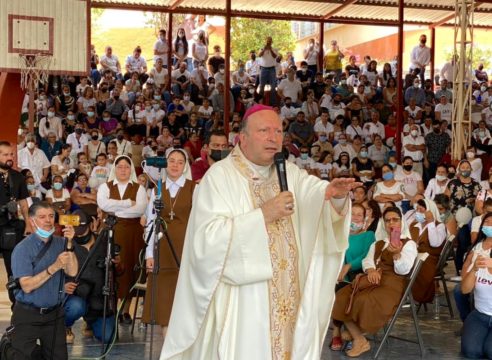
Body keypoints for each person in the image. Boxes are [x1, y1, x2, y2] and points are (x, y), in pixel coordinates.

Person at [160, 104, 360, 359]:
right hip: (244, 300)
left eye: (278, 131)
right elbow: (206, 241)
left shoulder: (289, 172)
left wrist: (334, 197)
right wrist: (262, 216)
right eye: (264, 130)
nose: (273, 137)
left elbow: (315, 195)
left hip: (289, 294)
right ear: (241, 138)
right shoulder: (220, 178)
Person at [331, 206, 418, 357]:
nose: (391, 223)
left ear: (401, 222)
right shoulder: (378, 243)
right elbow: (367, 260)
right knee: (341, 296)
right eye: (387, 220)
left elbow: (404, 270)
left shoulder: (408, 244)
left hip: (392, 284)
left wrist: (397, 254)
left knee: (364, 300)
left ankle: (356, 334)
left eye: (395, 220)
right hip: (371, 280)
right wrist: (370, 270)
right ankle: (359, 338)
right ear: (383, 223)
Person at [3, 202, 77, 360]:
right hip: (28, 314)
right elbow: (27, 286)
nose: (48, 220)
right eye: (42, 217)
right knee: (20, 356)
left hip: (54, 315)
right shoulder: (22, 249)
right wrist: (54, 267)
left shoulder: (61, 243)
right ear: (32, 221)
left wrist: (70, 243)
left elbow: (72, 271)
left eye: (51, 216)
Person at [141, 149, 195, 331]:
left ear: (185, 166)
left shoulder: (194, 188)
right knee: (164, 308)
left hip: (186, 250)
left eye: (180, 162)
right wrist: (149, 254)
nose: (175, 165)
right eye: (172, 161)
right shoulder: (158, 188)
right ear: (166, 163)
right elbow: (150, 222)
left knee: (185, 303)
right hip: (162, 250)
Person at [96, 155, 147, 323]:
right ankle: (111, 309)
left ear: (131, 169)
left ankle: (125, 311)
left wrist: (115, 207)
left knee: (131, 269)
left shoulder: (138, 188)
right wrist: (127, 203)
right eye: (120, 167)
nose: (123, 170)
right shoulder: (105, 186)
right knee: (111, 269)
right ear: (114, 169)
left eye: (126, 167)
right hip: (111, 231)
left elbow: (139, 209)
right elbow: (103, 205)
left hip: (133, 234)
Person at [63, 210, 117, 344]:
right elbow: (56, 272)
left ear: (91, 224)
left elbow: (118, 273)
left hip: (98, 299)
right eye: (76, 229)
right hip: (76, 296)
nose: (79, 233)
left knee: (108, 337)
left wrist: (117, 264)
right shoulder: (65, 244)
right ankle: (65, 326)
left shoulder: (104, 242)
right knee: (76, 307)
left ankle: (90, 323)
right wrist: (63, 286)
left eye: (83, 229)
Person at [330, 203, 375, 351]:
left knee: (340, 292)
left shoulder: (369, 235)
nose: (355, 217)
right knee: (332, 286)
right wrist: (339, 270)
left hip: (360, 276)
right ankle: (338, 330)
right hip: (343, 275)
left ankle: (350, 334)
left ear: (364, 218)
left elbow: (366, 256)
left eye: (359, 215)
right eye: (353, 213)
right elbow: (339, 255)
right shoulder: (342, 235)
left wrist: (349, 266)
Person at [0, 141, 31, 303]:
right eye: (5, 154)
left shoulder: (18, 177)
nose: (9, 157)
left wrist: (28, 223)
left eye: (11, 154)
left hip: (12, 228)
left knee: (14, 269)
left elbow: (23, 203)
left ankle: (17, 307)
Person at [460, 212, 492, 359]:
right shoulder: (478, 251)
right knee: (471, 351)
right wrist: (473, 270)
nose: (489, 226)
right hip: (480, 314)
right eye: (487, 222)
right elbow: (465, 289)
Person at [409, 198, 446, 304]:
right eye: (417, 210)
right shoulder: (413, 225)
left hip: (430, 259)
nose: (418, 212)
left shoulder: (439, 226)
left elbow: (435, 243)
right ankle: (403, 292)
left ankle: (413, 295)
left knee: (418, 265)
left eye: (421, 210)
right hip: (413, 255)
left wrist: (430, 223)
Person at [258, 37, 278, 106]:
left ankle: (273, 104)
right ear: (265, 41)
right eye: (267, 41)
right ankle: (260, 102)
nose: (268, 42)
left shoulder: (274, 49)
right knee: (261, 86)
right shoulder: (262, 48)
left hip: (272, 69)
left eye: (270, 41)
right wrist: (264, 49)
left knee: (273, 86)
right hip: (263, 69)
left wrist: (270, 49)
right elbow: (259, 55)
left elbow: (275, 56)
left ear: (271, 42)